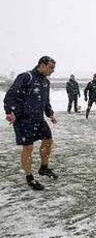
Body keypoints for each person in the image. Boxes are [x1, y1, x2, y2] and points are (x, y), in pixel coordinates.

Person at [3, 56, 58, 190]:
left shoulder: (46, 82)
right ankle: (29, 178)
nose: (52, 71)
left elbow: (45, 101)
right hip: (23, 119)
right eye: (51, 67)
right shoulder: (26, 77)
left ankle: (43, 168)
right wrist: (10, 112)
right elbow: (10, 96)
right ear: (42, 65)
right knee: (28, 148)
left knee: (48, 140)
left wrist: (50, 114)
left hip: (38, 118)